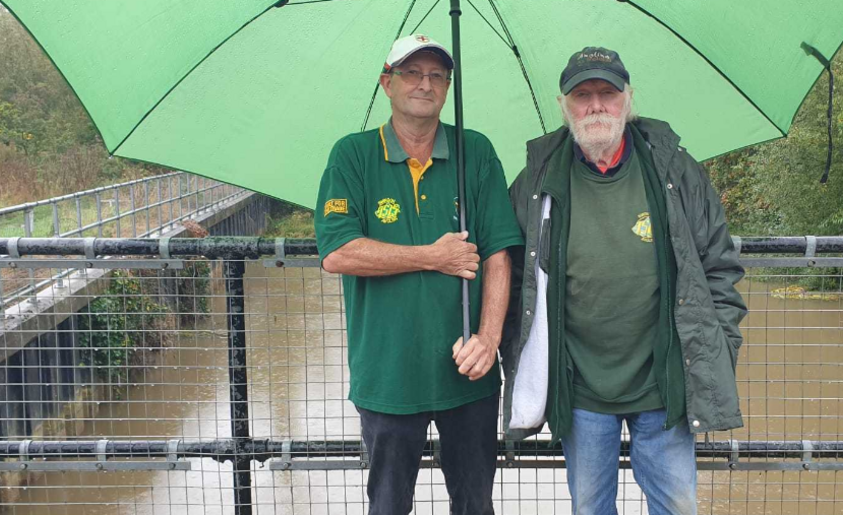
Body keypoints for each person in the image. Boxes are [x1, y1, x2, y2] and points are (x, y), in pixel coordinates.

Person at [501, 47, 747, 515]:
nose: (596, 105)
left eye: (607, 93)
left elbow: (719, 266)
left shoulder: (675, 170)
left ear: (628, 100)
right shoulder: (535, 179)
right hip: (580, 387)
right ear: (564, 105)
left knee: (677, 506)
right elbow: (512, 280)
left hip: (665, 382)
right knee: (590, 509)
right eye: (582, 95)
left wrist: (719, 346)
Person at [316, 34, 523, 515]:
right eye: (412, 73)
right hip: (387, 374)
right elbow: (339, 253)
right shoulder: (352, 155)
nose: (425, 84)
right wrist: (432, 256)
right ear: (386, 82)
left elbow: (498, 255)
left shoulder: (476, 151)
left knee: (475, 504)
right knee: (388, 505)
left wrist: (489, 340)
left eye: (437, 75)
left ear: (448, 87)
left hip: (468, 371)